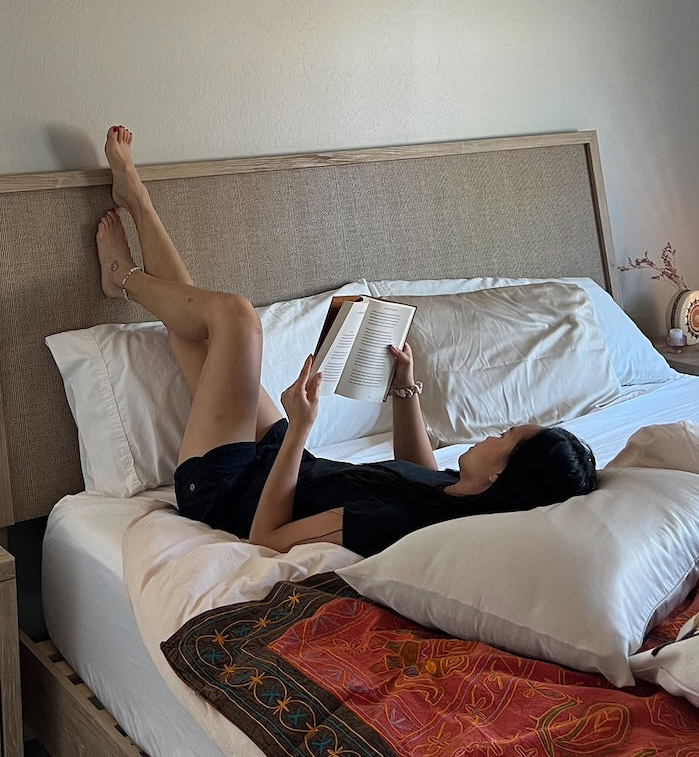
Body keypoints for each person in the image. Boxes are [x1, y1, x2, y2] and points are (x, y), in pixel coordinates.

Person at [96, 125, 599, 557]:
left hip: (227, 492)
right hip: (281, 467)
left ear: (500, 477)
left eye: (506, 438)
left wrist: (300, 428)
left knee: (235, 317)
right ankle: (138, 203)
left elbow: (265, 539)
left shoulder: (392, 524)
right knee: (200, 339)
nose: (493, 434)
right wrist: (403, 388)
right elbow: (415, 471)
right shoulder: (459, 499)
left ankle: (123, 278)